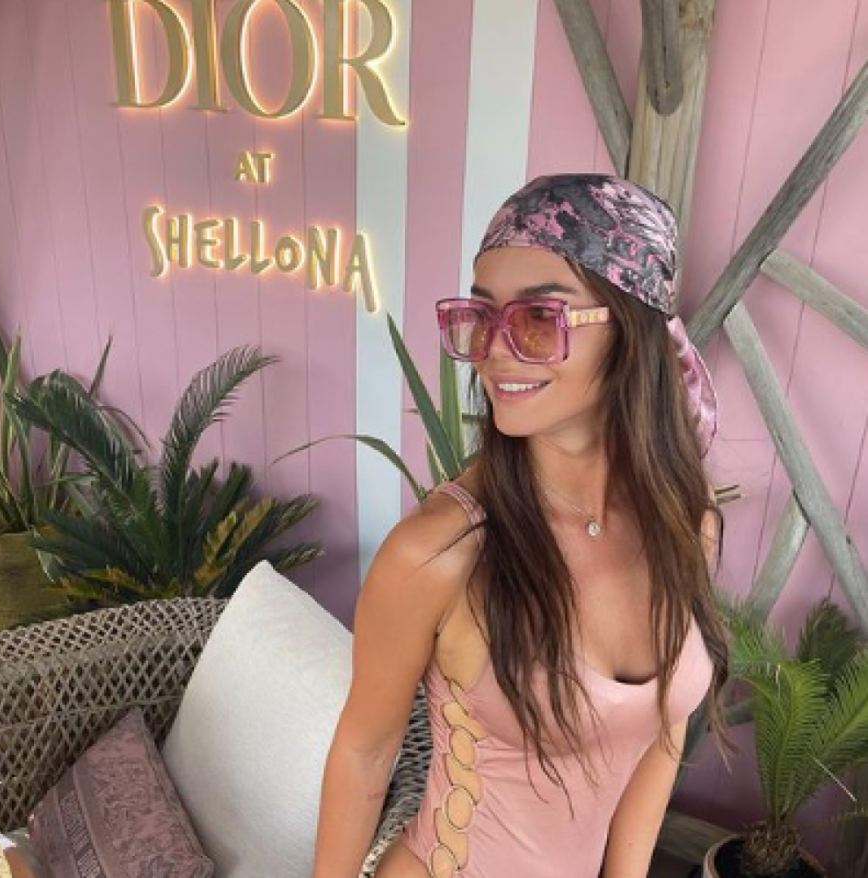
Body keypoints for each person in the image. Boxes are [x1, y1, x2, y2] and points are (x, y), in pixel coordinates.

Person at [311, 173, 735, 878]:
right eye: (482, 315)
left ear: (630, 331)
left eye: (539, 316)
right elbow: (365, 753)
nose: (495, 349)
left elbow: (663, 732)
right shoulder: (439, 552)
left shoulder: (686, 524)